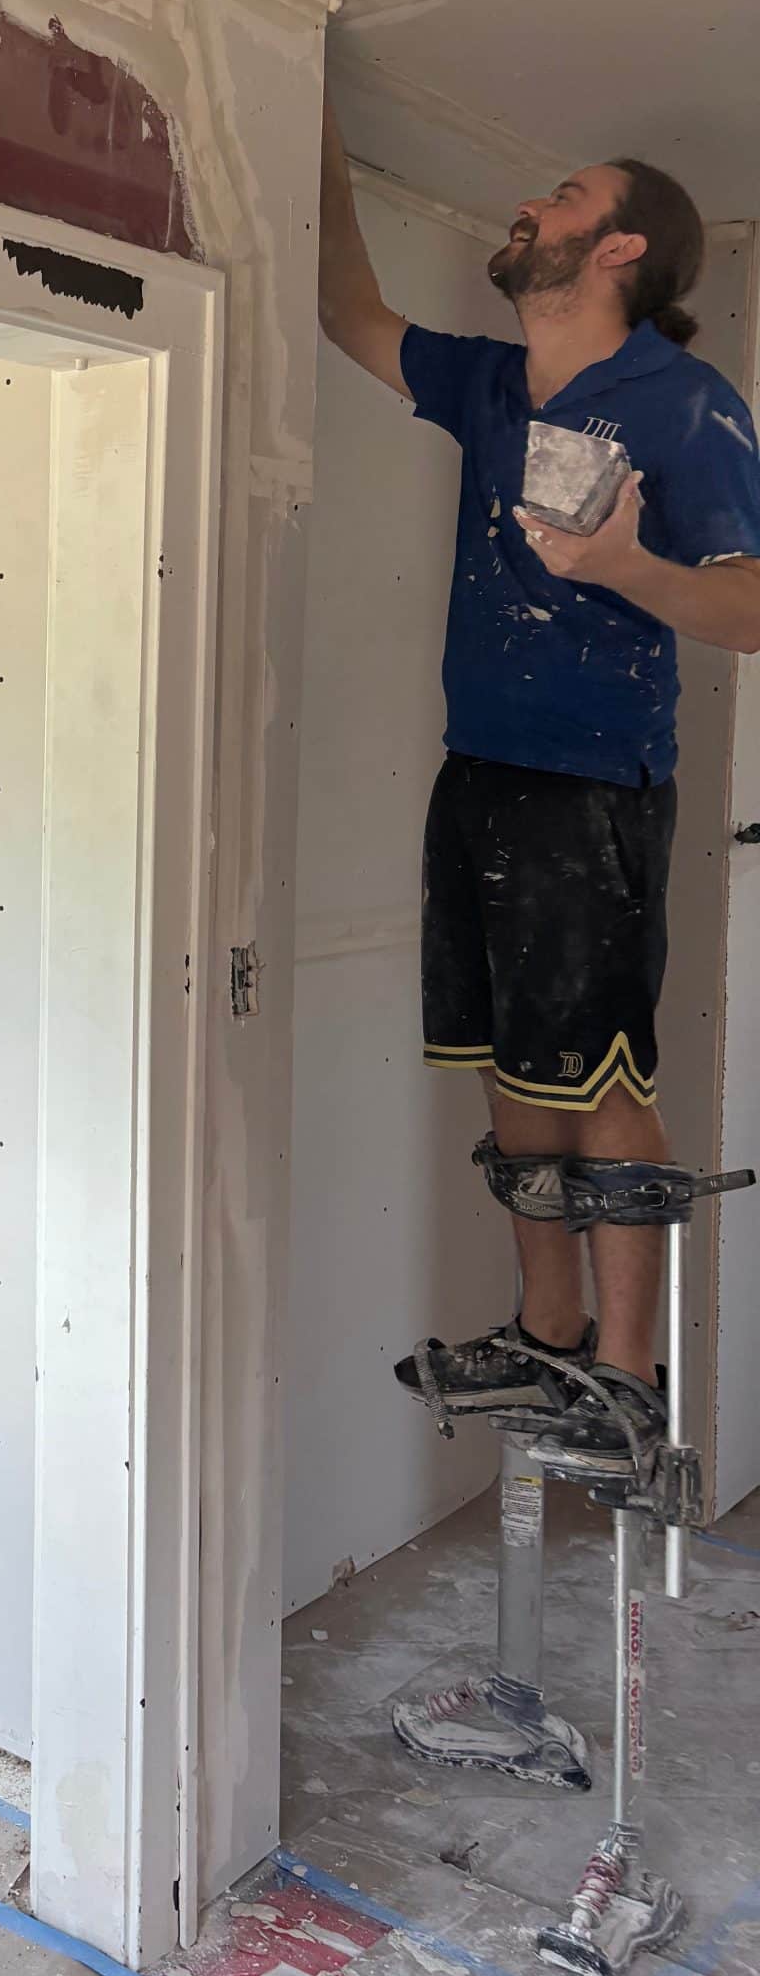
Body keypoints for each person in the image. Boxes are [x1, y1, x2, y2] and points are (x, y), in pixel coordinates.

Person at [317, 99, 760, 1472]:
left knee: (603, 1072)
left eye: (562, 196)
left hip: (592, 785)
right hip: (482, 775)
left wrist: (623, 567)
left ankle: (628, 1382)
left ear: (620, 247)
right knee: (514, 1066)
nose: (531, 206)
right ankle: (547, 1336)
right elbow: (348, 313)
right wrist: (306, 122)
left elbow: (751, 608)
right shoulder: (493, 384)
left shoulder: (683, 402)